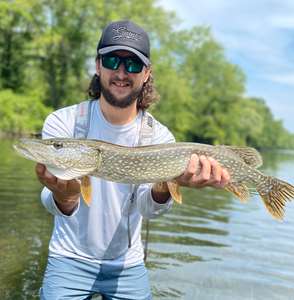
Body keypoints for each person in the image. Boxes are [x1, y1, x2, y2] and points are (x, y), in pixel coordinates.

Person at [36, 20, 230, 300]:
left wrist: (166, 186)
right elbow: (51, 200)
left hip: (127, 264)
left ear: (147, 73)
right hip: (68, 258)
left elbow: (149, 209)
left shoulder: (160, 137)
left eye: (133, 65)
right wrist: (64, 198)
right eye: (113, 60)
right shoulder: (63, 123)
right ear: (98, 65)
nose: (122, 72)